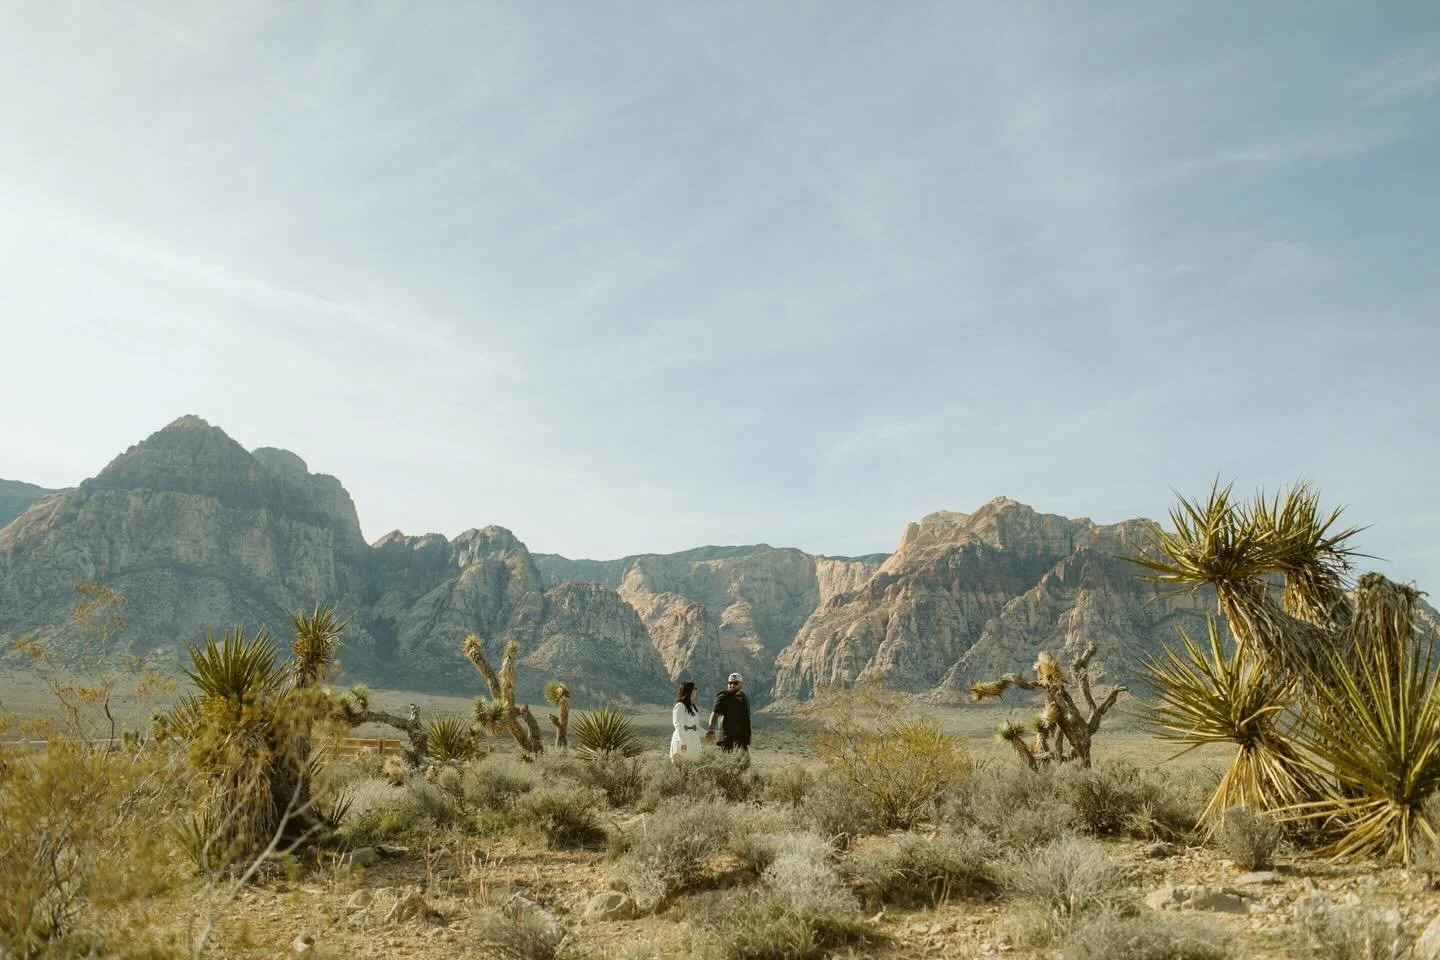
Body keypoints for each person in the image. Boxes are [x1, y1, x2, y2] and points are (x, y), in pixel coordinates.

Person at [706, 672, 751, 753]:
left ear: (741, 684)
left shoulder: (744, 697)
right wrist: (711, 729)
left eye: (735, 683)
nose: (732, 685)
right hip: (727, 737)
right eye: (730, 683)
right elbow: (715, 713)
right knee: (729, 759)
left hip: (742, 738)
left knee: (744, 760)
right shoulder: (723, 697)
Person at [669, 680, 703, 761]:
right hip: (682, 741)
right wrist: (683, 742)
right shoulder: (680, 706)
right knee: (681, 765)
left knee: (693, 765)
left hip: (693, 741)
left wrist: (707, 734)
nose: (696, 690)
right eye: (695, 688)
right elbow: (678, 725)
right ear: (689, 690)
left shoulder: (692, 708)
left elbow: (695, 727)